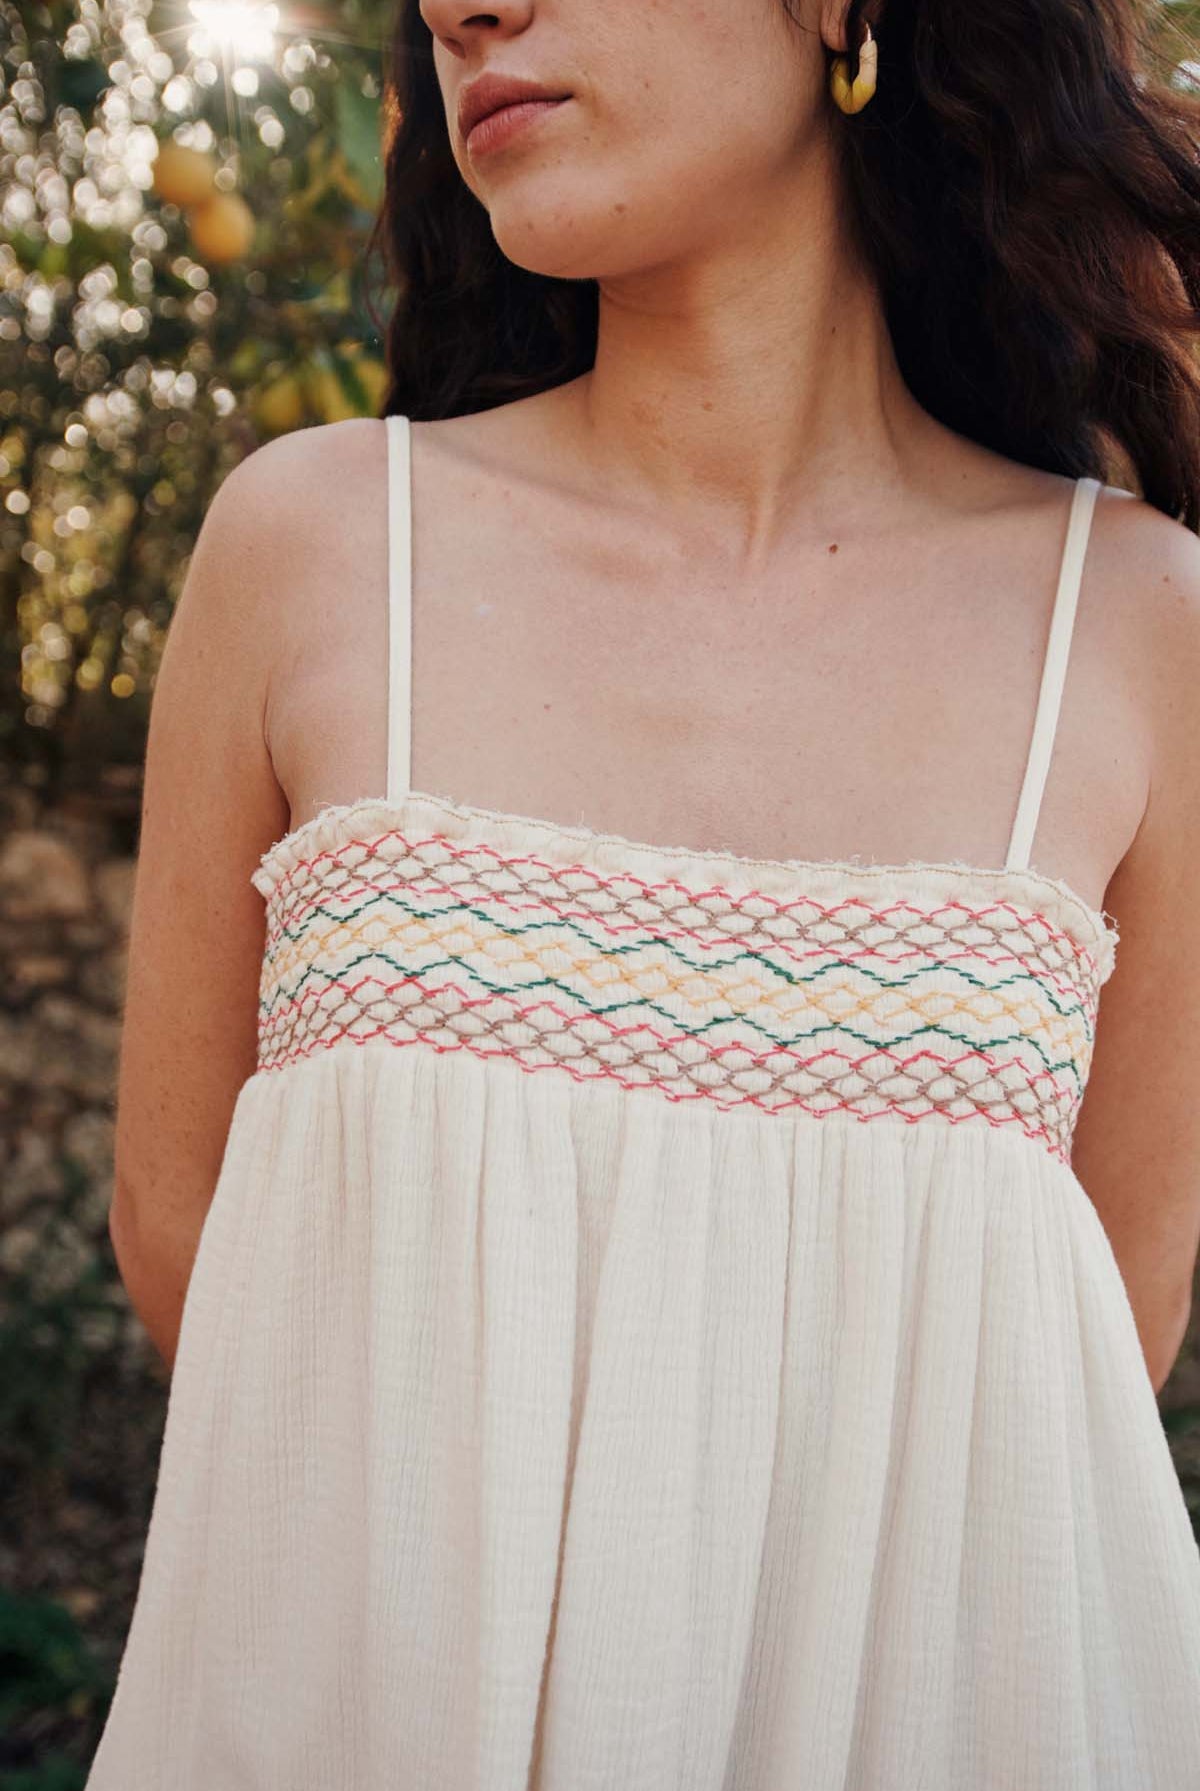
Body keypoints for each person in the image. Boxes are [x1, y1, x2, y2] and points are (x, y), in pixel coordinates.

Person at [89, 0, 1200, 1785]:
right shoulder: (312, 550)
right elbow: (187, 1237)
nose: (459, 9)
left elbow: (1095, 1352)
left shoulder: (1138, 630)